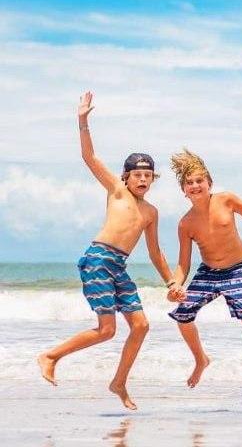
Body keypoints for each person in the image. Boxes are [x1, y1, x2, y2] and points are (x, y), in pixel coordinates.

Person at [37, 92, 176, 410]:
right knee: (107, 330)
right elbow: (90, 157)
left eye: (148, 175)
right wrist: (83, 121)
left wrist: (171, 282)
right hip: (98, 259)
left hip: (119, 266)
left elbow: (156, 252)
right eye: (137, 174)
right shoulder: (116, 190)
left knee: (141, 326)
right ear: (126, 177)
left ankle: (118, 382)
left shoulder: (151, 212)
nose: (143, 179)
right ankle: (50, 356)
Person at [166, 148, 242, 387]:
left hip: (238, 268)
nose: (195, 185)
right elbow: (183, 263)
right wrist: (176, 285)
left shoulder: (226, 200)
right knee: (182, 314)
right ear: (183, 191)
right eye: (189, 183)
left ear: (209, 183)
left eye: (199, 180)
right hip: (209, 271)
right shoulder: (185, 223)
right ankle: (200, 359)